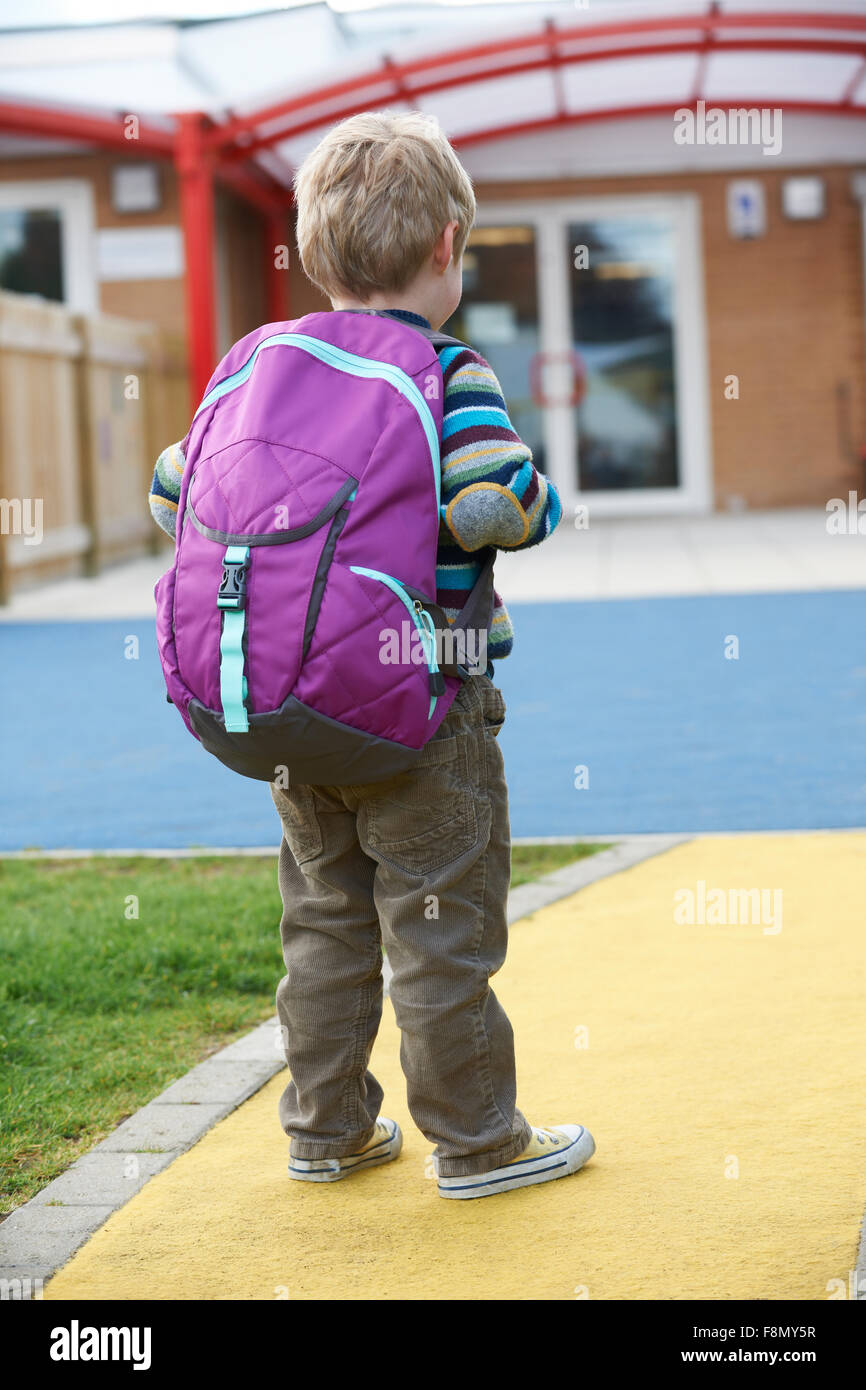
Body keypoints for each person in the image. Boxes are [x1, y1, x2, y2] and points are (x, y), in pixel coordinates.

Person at [148, 111, 595, 1200]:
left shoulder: (253, 364)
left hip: (292, 712)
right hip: (424, 705)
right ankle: (478, 1142)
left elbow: (173, 489)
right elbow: (490, 498)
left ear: (313, 248)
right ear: (448, 244)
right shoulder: (450, 369)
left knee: (325, 923)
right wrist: (533, 501)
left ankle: (326, 1129)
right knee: (438, 929)